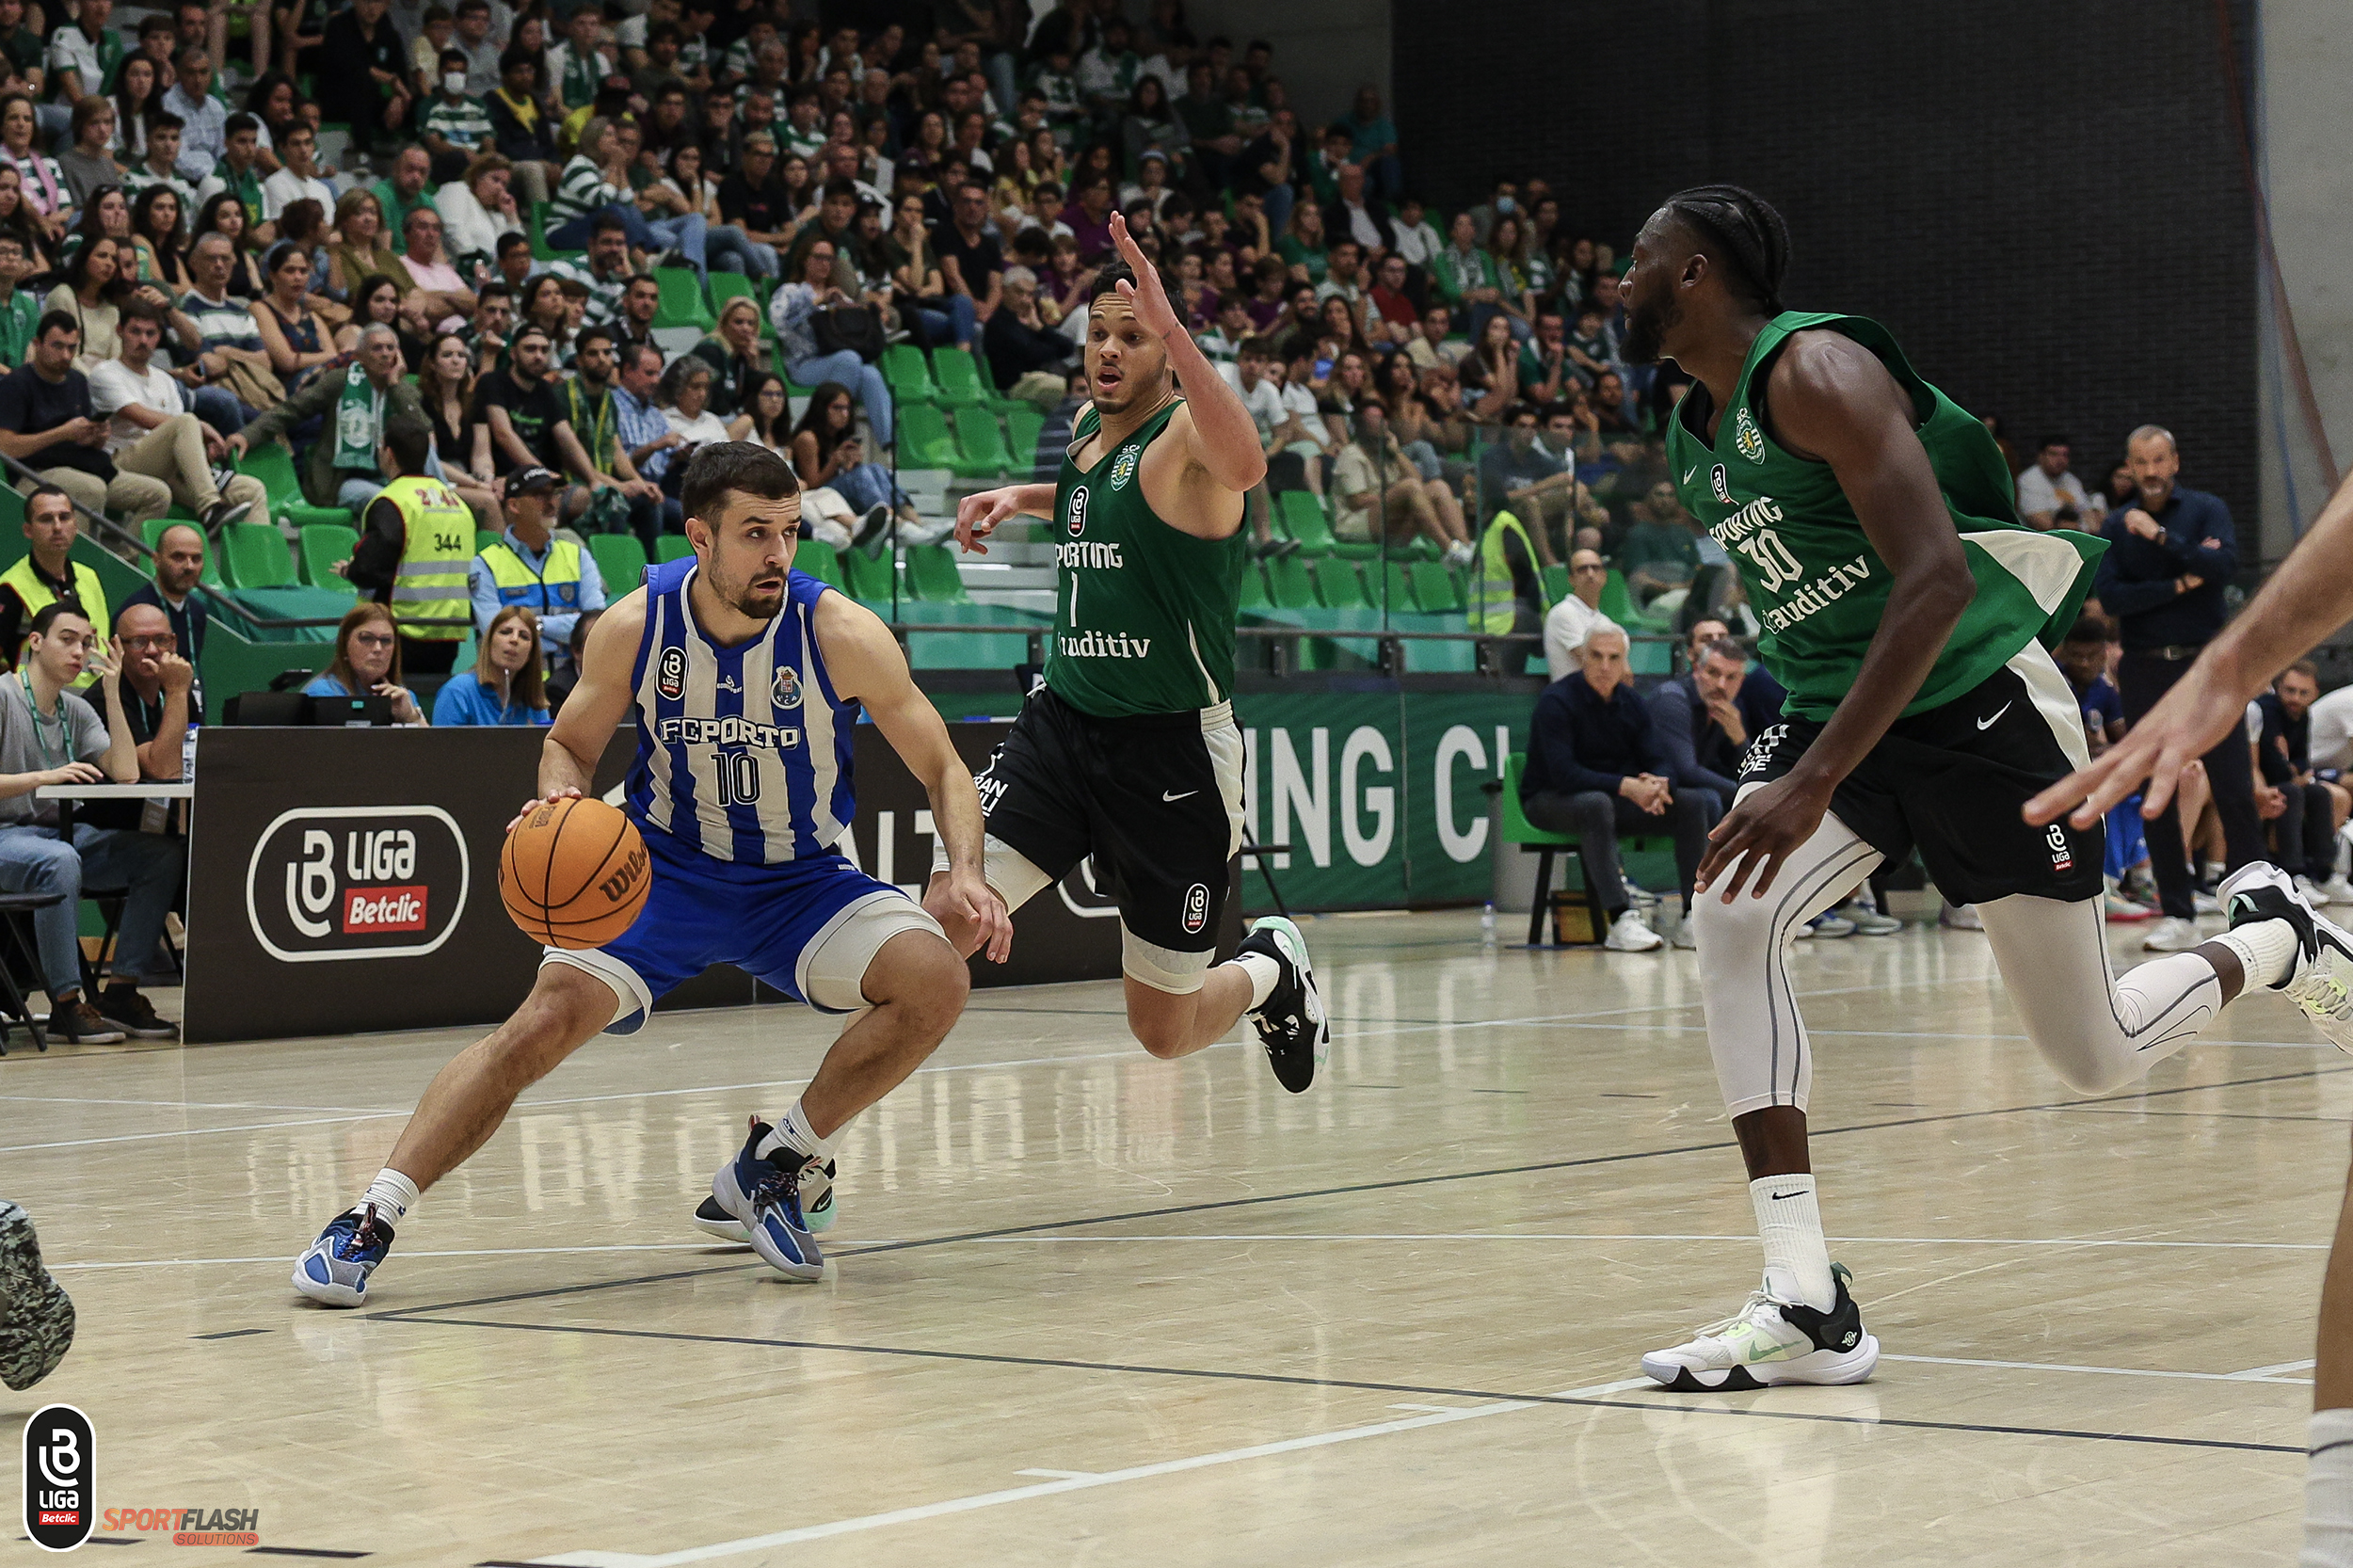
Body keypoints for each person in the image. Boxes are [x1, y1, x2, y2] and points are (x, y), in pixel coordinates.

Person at [1616, 184, 2341, 1394]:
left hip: (1971, 705)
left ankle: (2272, 940)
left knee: (2090, 1054)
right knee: (1729, 914)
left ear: (1696, 273)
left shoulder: (1815, 372)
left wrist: (1812, 780)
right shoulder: (1691, 423)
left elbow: (1938, 579)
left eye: (1638, 260)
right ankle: (1805, 1295)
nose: (1617, 280)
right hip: (1832, 713)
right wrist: (1801, 758)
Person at [293, 441, 1011, 1303]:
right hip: (662, 869)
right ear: (699, 539)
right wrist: (561, 804)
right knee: (539, 1026)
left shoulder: (839, 632)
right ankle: (372, 1214)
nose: (779, 553)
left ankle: (775, 1161)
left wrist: (965, 870)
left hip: (803, 879)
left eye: (789, 532)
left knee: (935, 980)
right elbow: (569, 745)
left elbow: (944, 768)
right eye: (755, 534)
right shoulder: (638, 623)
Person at [944, 215, 1329, 1091]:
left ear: (1166, 353)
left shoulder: (1189, 444)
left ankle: (1272, 968)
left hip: (1172, 754)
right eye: (1099, 336)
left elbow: (1247, 462)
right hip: (1064, 723)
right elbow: (1095, 500)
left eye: (1133, 336)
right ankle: (804, 1154)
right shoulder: (1087, 429)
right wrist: (1021, 496)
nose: (1109, 353)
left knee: (1164, 1030)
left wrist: (1177, 326)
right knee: (947, 919)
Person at [2092, 424, 2262, 952]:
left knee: (2233, 787)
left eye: (2159, 460)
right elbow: (2114, 600)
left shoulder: (2206, 509)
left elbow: (2222, 564)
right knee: (2157, 791)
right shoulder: (2116, 525)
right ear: (2129, 466)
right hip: (2146, 669)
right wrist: (2180, 584)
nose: (2150, 472)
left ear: (2175, 462)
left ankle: (2258, 909)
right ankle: (2178, 912)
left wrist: (2163, 539)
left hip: (2209, 668)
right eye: (2141, 462)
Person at [0, 600, 184, 1043]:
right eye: (67, 640)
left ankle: (121, 992)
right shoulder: (4, 696)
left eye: (84, 643)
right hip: (8, 836)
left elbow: (125, 771)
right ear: (36, 643)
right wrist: (42, 777)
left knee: (159, 855)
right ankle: (65, 1003)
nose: (78, 652)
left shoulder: (76, 709)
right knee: (60, 859)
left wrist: (113, 689)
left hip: (62, 834)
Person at [1520, 626, 1715, 952]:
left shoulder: (1632, 703)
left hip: (1612, 800)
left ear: (1625, 661)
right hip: (1549, 800)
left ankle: (1695, 915)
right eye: (1596, 656)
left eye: (1614, 658)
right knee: (1596, 804)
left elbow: (1660, 759)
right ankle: (1621, 918)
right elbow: (1563, 774)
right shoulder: (1556, 701)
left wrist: (1658, 785)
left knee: (1692, 803)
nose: (1605, 666)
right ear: (1582, 657)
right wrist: (1626, 786)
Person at [87, 303, 264, 530]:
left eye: (150, 333)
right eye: (135, 331)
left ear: (159, 337)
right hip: (122, 463)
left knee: (252, 490)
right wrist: (200, 427)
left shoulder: (165, 380)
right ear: (120, 331)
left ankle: (255, 564)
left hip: (169, 470)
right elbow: (140, 416)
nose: (143, 340)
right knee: (187, 421)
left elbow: (183, 435)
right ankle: (210, 506)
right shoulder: (105, 373)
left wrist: (202, 452)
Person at [227, 322, 426, 509]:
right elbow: (291, 410)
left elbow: (423, 435)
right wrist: (248, 435)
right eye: (377, 348)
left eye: (390, 348)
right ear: (360, 356)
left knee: (405, 492)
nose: (385, 354)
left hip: (390, 477)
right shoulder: (340, 381)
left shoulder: (402, 390)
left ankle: (439, 496)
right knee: (389, 501)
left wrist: (394, 385)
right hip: (342, 481)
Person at [0, 313, 170, 531]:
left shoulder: (78, 381)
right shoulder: (16, 384)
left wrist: (96, 437)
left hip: (81, 463)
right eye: (57, 346)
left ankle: (124, 560)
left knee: (158, 494)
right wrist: (62, 433)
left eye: (72, 348)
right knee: (92, 488)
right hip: (33, 473)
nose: (65, 355)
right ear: (37, 344)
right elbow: (6, 447)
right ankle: (77, 559)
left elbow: (80, 442)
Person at [344, 417, 472, 673]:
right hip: (449, 633)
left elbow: (370, 568)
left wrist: (352, 569)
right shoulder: (457, 503)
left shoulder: (393, 501)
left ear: (388, 453)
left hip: (403, 630)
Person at [470, 464, 604, 684]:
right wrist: (567, 634)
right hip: (514, 688)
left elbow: (595, 626)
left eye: (555, 494)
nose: (552, 502)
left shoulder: (578, 556)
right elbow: (494, 634)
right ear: (514, 505)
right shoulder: (485, 564)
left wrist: (535, 626)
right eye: (540, 495)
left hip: (571, 688)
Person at [83, 598, 194, 856]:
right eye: (139, 642)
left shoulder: (179, 689)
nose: (153, 650)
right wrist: (178, 691)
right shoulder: (104, 697)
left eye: (162, 640)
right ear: (117, 647)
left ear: (174, 643)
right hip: (106, 829)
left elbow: (189, 766)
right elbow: (163, 770)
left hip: (161, 825)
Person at [768, 235, 894, 446]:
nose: (825, 263)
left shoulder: (840, 296)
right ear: (805, 260)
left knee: (871, 374)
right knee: (850, 359)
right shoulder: (791, 291)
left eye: (829, 259)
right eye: (819, 257)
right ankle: (836, 435)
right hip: (804, 364)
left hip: (841, 359)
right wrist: (815, 304)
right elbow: (778, 323)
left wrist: (872, 316)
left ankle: (889, 447)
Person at [2256, 662, 2349, 903]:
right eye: (2289, 690)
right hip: (2260, 780)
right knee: (2292, 793)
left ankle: (2323, 873)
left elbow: (2301, 759)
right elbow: (2270, 761)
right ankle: (2293, 874)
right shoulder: (2267, 709)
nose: (2295, 698)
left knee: (2318, 793)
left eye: (2303, 692)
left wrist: (2291, 767)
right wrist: (2290, 769)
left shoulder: (2302, 715)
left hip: (2286, 778)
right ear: (2278, 687)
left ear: (2315, 694)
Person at [1649, 633, 1749, 813]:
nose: (1721, 685)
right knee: (1708, 799)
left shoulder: (1727, 708)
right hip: (1652, 791)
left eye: (1731, 677)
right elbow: (1685, 771)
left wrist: (1740, 739)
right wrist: (1744, 795)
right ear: (1697, 670)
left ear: (1741, 681)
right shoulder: (1672, 699)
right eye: (1713, 673)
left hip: (1688, 792)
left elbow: (1745, 773)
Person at [300, 601, 423, 723]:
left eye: (386, 640)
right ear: (345, 644)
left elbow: (430, 742)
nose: (377, 648)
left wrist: (411, 717)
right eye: (366, 638)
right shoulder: (323, 694)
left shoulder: (402, 697)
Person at [433, 602, 548, 726]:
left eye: (524, 636)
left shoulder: (535, 703)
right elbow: (443, 744)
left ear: (531, 654)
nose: (514, 640)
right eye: (505, 632)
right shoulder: (458, 692)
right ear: (489, 643)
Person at [121, 520, 208, 674]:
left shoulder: (197, 611)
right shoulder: (134, 612)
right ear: (156, 560)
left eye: (196, 559)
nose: (189, 566)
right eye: (178, 557)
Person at [1542, 547, 1618, 680]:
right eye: (1582, 569)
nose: (1590, 574)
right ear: (1571, 579)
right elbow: (1595, 663)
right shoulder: (1563, 612)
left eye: (1595, 568)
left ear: (1604, 576)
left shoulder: (1605, 621)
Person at [2016, 432, 2099, 531]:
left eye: (2065, 455)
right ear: (2041, 456)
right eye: (2054, 454)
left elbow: (2091, 520)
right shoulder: (2029, 480)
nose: (2060, 460)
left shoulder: (2071, 480)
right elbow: (2041, 523)